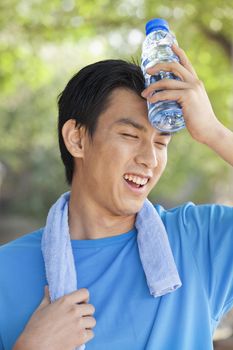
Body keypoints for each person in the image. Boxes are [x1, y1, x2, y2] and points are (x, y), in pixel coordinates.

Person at [0, 44, 233, 350]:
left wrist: (214, 132)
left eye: (161, 143)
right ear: (77, 139)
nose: (150, 158)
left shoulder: (201, 241)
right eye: (130, 136)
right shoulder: (6, 272)